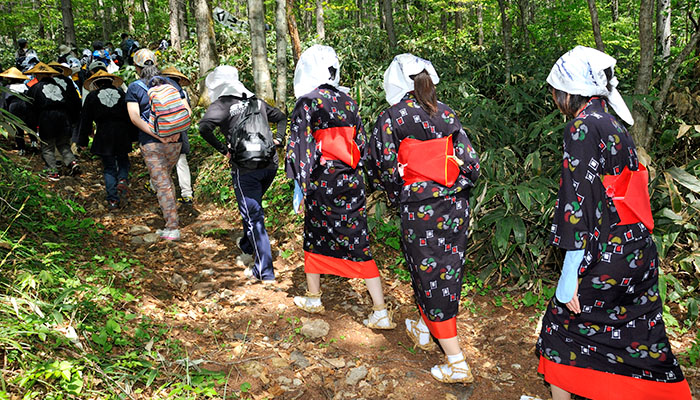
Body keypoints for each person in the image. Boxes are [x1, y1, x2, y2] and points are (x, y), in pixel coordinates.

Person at [536, 46, 692, 400]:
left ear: (569, 91)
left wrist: (569, 273)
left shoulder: (581, 127)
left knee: (561, 333)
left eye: (555, 90)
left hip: (606, 251)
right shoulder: (612, 122)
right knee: (640, 335)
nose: (554, 97)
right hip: (637, 248)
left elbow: (580, 201)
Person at [367, 54, 480, 383]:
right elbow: (470, 162)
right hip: (456, 203)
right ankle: (423, 326)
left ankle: (456, 361)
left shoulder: (392, 117)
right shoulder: (446, 112)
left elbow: (382, 166)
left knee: (430, 272)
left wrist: (397, 193)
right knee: (443, 269)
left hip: (421, 206)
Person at [285, 45, 395, 330]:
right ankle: (379, 309)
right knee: (358, 240)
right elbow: (360, 145)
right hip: (351, 179)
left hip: (322, 181)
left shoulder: (307, 102)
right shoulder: (348, 101)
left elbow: (301, 148)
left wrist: (300, 183)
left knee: (314, 233)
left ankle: (314, 296)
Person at [199, 65, 286, 283]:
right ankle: (247, 246)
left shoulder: (222, 105)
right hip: (269, 165)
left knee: (254, 217)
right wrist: (279, 140)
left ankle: (264, 271)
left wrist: (223, 150)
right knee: (252, 209)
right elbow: (282, 117)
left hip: (245, 168)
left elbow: (203, 128)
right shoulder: (256, 101)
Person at [125, 49, 189, 241]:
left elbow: (134, 117)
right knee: (166, 180)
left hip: (152, 143)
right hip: (175, 141)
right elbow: (187, 111)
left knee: (162, 184)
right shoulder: (172, 84)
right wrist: (174, 133)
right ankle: (171, 218)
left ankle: (172, 227)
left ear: (137, 67)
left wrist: (157, 135)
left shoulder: (134, 87)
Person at [79, 70, 136, 210]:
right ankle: (122, 179)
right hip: (122, 132)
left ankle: (113, 200)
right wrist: (133, 136)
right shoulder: (122, 94)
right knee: (123, 160)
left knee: (109, 167)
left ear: (97, 84)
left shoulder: (92, 96)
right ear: (111, 81)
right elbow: (130, 115)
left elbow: (85, 120)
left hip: (104, 133)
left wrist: (82, 140)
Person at [25, 62, 80, 180]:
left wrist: (32, 126)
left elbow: (30, 108)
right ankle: (72, 162)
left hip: (47, 118)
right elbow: (70, 101)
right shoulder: (60, 87)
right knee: (63, 144)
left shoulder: (35, 88)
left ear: (38, 75)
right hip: (63, 117)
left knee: (47, 146)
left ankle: (52, 172)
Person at [159, 66, 194, 205]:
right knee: (181, 162)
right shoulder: (183, 93)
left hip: (165, 131)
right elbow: (188, 113)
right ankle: (187, 194)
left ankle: (157, 188)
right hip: (180, 131)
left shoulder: (159, 93)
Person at [0, 67, 37, 155]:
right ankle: (34, 143)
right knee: (30, 125)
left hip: (14, 106)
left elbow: (5, 102)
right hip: (26, 106)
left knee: (17, 127)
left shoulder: (8, 87)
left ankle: (21, 149)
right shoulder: (26, 87)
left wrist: (5, 115)